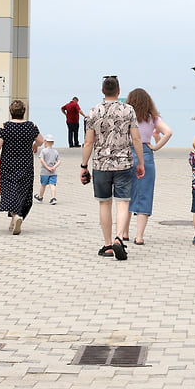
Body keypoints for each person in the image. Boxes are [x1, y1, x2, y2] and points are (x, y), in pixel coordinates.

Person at [80, 75, 145, 260]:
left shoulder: (93, 112)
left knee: (104, 203)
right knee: (123, 202)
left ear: (102, 91)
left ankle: (108, 244)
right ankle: (119, 238)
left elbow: (88, 142)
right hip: (124, 163)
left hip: (101, 164)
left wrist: (84, 166)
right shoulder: (128, 110)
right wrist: (140, 162)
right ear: (119, 91)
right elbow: (137, 138)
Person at [0, 99, 43, 235]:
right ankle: (16, 218)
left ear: (11, 112)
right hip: (26, 165)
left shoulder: (5, 127)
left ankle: (15, 217)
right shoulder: (31, 126)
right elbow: (40, 141)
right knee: (23, 192)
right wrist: (34, 145)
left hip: (8, 165)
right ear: (24, 112)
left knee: (10, 191)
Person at [125, 87, 172, 244]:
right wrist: (156, 147)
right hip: (145, 153)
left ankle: (124, 233)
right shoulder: (152, 117)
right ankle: (139, 237)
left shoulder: (126, 116)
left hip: (127, 154)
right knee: (144, 195)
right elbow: (168, 132)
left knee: (125, 195)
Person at [36, 135, 60, 204]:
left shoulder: (43, 151)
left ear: (45, 142)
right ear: (53, 143)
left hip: (44, 172)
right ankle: (53, 198)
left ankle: (40, 197)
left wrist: (47, 167)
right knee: (52, 185)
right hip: (53, 172)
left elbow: (42, 160)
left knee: (43, 185)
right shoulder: (55, 151)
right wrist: (54, 167)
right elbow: (59, 161)